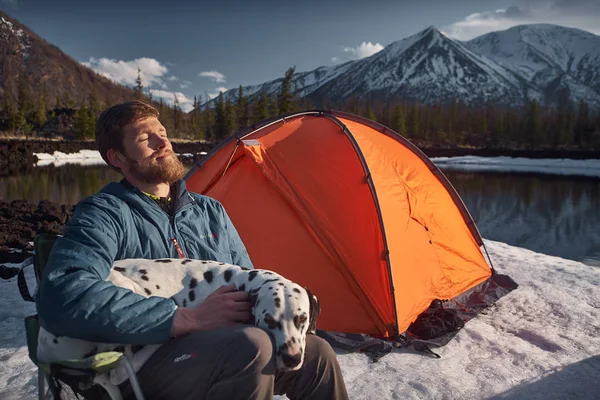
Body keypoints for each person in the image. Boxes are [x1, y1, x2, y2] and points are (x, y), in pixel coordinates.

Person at [36, 100, 348, 400]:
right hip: (139, 361)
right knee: (250, 346)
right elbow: (62, 294)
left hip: (221, 349)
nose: (163, 142)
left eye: (164, 133)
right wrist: (184, 318)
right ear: (117, 158)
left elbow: (250, 282)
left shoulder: (211, 211)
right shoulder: (104, 213)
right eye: (147, 138)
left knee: (316, 353)